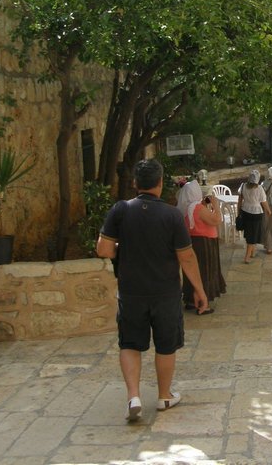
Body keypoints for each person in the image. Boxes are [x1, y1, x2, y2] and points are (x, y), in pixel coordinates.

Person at [97, 159, 208, 423]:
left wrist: (121, 248)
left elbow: (103, 249)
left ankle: (133, 397)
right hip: (165, 292)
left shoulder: (120, 210)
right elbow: (186, 257)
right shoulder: (171, 215)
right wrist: (199, 290)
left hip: (131, 291)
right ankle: (164, 396)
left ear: (135, 183)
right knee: (166, 345)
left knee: (129, 344)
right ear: (159, 183)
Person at [177, 180, 224, 308]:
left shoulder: (185, 207)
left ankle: (190, 300)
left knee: (193, 272)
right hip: (205, 243)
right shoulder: (197, 208)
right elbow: (216, 220)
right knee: (205, 271)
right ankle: (203, 303)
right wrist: (216, 206)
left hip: (192, 241)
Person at [237, 169, 271, 263]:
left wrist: (238, 212)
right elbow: (263, 202)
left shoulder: (243, 186)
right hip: (256, 213)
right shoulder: (259, 188)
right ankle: (247, 257)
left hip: (245, 211)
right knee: (253, 235)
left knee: (249, 233)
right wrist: (268, 211)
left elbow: (239, 201)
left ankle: (252, 252)